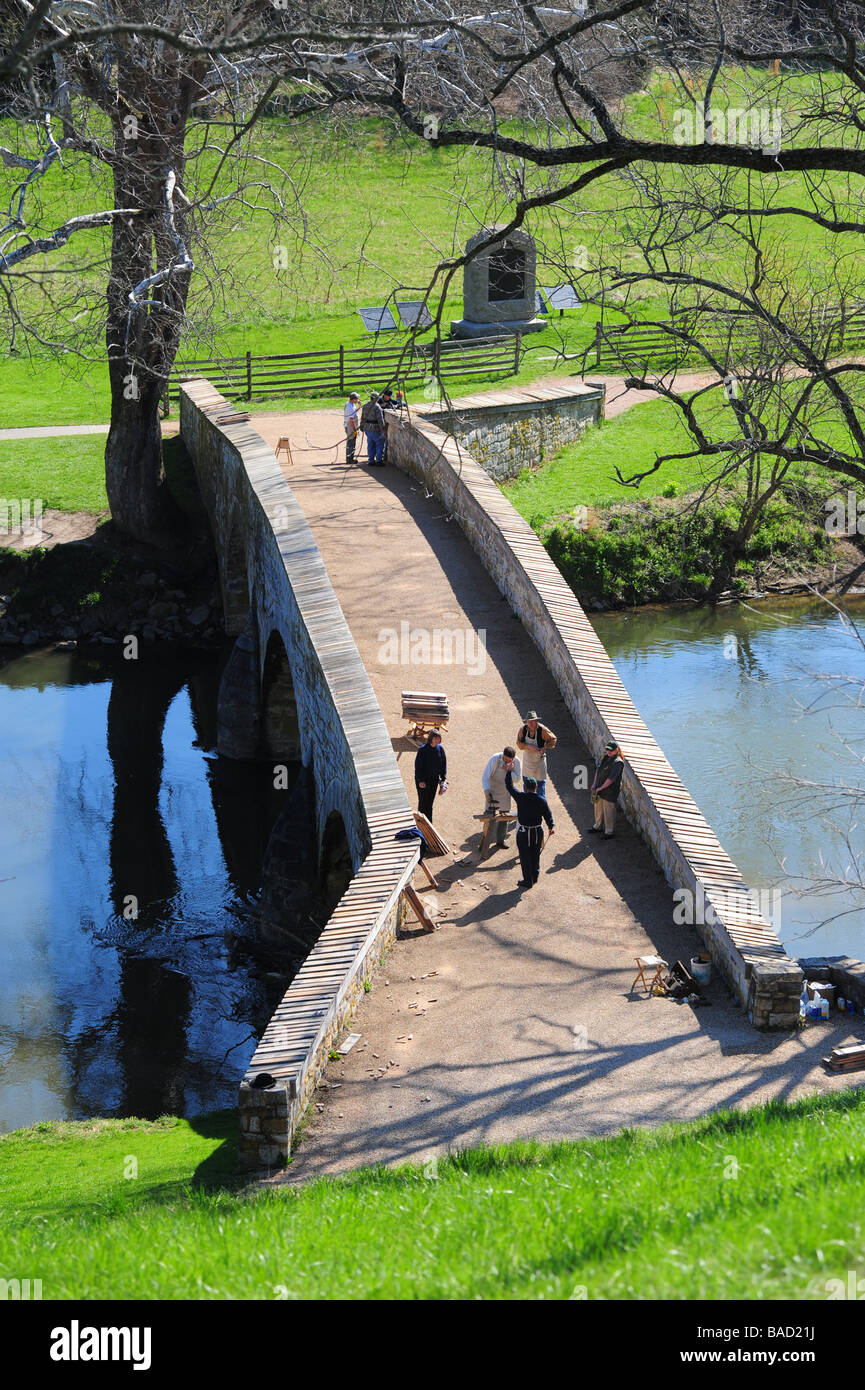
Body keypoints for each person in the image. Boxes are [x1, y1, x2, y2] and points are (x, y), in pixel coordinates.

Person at [505, 768, 554, 888]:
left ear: (526, 787)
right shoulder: (541, 800)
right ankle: (535, 876)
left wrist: (508, 772)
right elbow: (548, 814)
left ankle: (528, 880)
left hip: (523, 832)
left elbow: (509, 787)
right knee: (535, 854)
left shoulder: (521, 797)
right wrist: (550, 826)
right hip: (537, 832)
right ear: (536, 787)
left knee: (525, 856)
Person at [481, 745, 521, 848]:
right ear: (503, 755)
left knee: (504, 818)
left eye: (509, 760)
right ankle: (485, 839)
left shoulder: (517, 762)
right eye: (505, 759)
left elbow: (517, 779)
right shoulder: (495, 759)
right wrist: (487, 792)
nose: (507, 761)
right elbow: (485, 776)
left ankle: (500, 841)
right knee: (489, 816)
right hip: (493, 790)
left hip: (506, 792)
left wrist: (509, 771)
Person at [515, 709, 557, 799]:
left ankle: (541, 808)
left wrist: (545, 747)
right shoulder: (523, 730)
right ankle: (528, 807)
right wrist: (528, 747)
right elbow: (519, 743)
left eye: (533, 721)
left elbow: (553, 739)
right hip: (528, 761)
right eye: (529, 722)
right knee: (527, 786)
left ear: (536, 721)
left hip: (539, 761)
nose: (531, 724)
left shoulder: (542, 730)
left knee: (540, 787)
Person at [589, 738, 624, 838]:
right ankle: (598, 826)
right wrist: (594, 784)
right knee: (598, 808)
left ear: (617, 750)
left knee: (609, 811)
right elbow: (598, 771)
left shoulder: (618, 762)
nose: (608, 751)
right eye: (607, 749)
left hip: (610, 791)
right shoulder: (606, 757)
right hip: (599, 788)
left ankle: (609, 831)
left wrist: (601, 788)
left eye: (611, 750)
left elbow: (611, 779)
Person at [414, 730, 447, 822]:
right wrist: (420, 780)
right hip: (423, 781)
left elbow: (443, 764)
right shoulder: (423, 750)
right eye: (435, 738)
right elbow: (418, 766)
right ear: (430, 738)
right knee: (423, 803)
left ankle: (429, 823)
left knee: (429, 803)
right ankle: (420, 823)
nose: (437, 740)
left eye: (439, 738)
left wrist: (443, 779)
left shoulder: (440, 749)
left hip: (433, 780)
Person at [360, 391, 387, 466]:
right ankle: (378, 460)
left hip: (367, 428)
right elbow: (380, 419)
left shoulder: (365, 406)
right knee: (380, 443)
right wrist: (383, 430)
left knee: (370, 444)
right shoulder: (377, 407)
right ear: (376, 399)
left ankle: (371, 460)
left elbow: (362, 417)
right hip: (375, 428)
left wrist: (361, 426)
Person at [343, 391, 360, 464]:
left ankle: (349, 458)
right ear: (353, 399)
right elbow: (351, 419)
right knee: (351, 442)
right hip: (350, 426)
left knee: (351, 442)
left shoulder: (350, 404)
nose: (358, 400)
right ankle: (350, 459)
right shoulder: (350, 407)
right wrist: (354, 429)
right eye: (357, 399)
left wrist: (359, 406)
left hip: (349, 425)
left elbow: (354, 411)